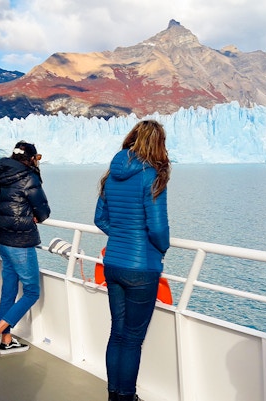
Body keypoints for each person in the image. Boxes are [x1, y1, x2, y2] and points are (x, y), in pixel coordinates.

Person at [93, 120, 171, 401]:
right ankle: (126, 397)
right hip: (141, 268)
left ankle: (115, 394)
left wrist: (123, 236)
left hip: (113, 263)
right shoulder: (152, 175)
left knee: (118, 333)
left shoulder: (111, 174)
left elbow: (100, 218)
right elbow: (158, 228)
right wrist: (161, 249)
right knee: (133, 338)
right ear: (157, 145)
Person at [0, 140, 50, 360]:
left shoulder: (5, 175)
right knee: (31, 291)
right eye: (36, 157)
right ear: (30, 158)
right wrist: (38, 216)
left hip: (5, 240)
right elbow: (42, 209)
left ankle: (6, 341)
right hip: (21, 240)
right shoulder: (28, 177)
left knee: (9, 290)